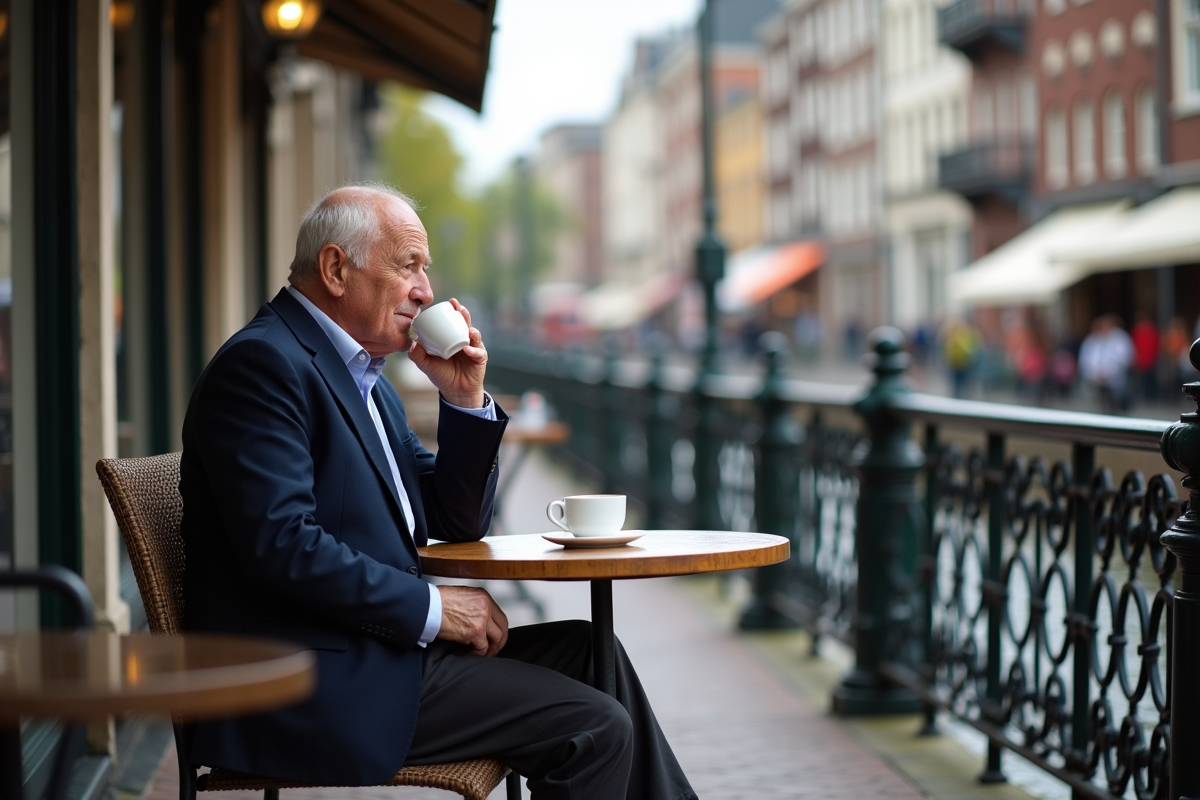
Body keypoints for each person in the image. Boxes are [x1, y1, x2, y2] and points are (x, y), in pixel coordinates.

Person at [179, 184, 696, 800]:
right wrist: (434, 609)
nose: (426, 290)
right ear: (337, 269)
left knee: (593, 653)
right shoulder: (264, 366)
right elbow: (283, 548)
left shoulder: (362, 376)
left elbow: (455, 518)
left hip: (373, 653)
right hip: (310, 682)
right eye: (409, 267)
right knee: (591, 726)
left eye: (424, 269)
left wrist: (465, 400)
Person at [1078, 314, 1134, 413]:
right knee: (1102, 402)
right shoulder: (1092, 340)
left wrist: (1109, 372)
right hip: (1097, 378)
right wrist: (1095, 373)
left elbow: (1124, 357)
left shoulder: (1120, 339)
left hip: (1115, 378)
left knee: (1115, 403)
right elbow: (1086, 359)